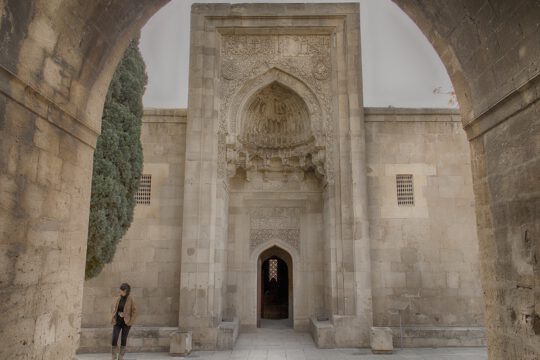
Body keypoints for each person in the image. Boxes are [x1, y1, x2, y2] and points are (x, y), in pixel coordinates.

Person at [111, 283, 137, 360]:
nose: (120, 292)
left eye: (121, 290)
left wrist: (130, 321)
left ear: (125, 291)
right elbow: (115, 309)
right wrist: (114, 315)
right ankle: (114, 356)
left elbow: (135, 311)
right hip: (117, 322)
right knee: (114, 338)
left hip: (126, 323)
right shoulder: (118, 298)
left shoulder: (131, 299)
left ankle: (121, 356)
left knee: (123, 339)